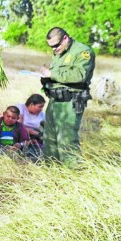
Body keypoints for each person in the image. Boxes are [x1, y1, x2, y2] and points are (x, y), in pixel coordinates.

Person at [39, 27, 95, 165]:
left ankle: (74, 175)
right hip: (54, 101)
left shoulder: (82, 51)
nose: (54, 49)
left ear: (66, 38)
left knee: (66, 140)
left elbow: (79, 75)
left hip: (70, 101)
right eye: (51, 47)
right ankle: (51, 171)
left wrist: (52, 74)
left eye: (56, 45)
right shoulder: (59, 53)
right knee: (50, 139)